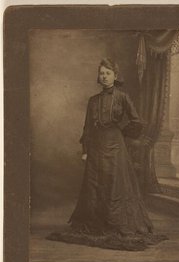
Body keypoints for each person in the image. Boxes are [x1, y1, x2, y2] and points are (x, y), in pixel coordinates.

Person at [47, 58, 166, 250]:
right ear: (98, 76)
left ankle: (117, 223)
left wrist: (120, 133)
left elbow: (137, 122)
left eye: (108, 73)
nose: (104, 77)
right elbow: (86, 128)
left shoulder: (123, 97)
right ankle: (97, 224)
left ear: (115, 76)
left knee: (115, 184)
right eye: (102, 73)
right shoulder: (92, 101)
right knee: (95, 185)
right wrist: (85, 150)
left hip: (116, 147)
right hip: (95, 147)